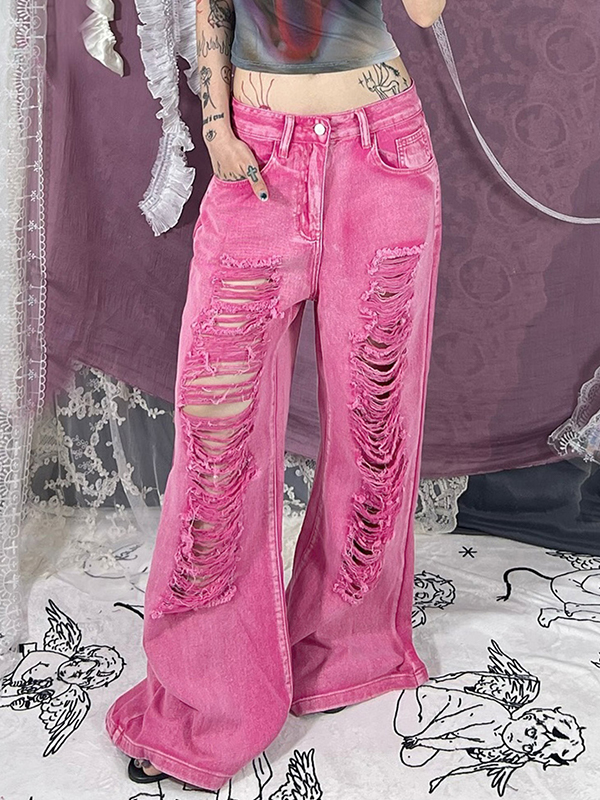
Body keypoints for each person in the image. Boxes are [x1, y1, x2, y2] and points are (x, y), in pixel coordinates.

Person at [105, 0, 445, 790]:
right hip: (259, 155)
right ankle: (204, 694)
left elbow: (426, 14)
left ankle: (346, 648)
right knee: (216, 437)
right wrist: (217, 129)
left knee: (374, 421)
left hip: (383, 151)